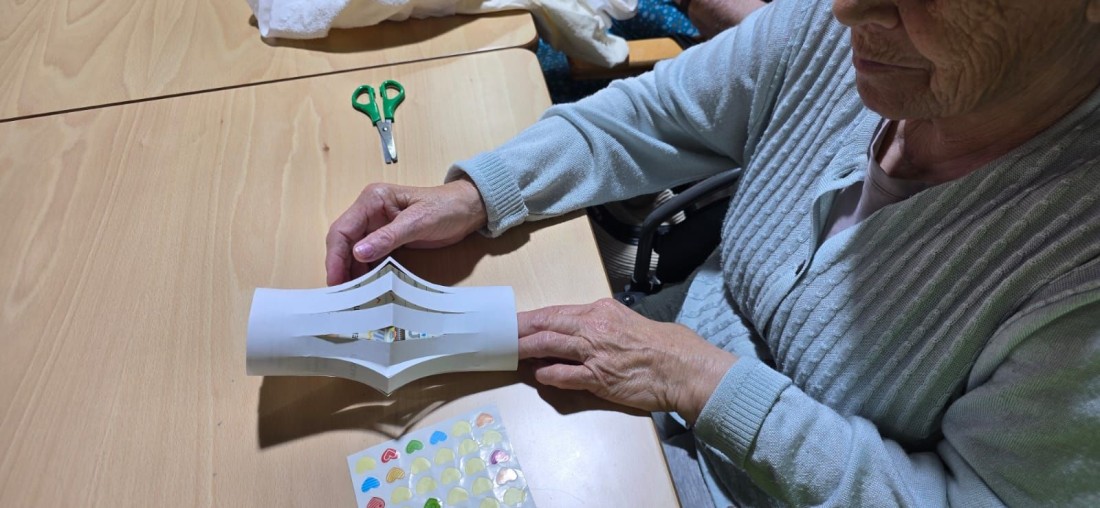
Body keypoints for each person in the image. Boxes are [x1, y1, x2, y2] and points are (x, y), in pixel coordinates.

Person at [326, 0, 1100, 505]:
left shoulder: (1076, 268)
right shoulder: (837, 31)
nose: (845, 9)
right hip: (649, 387)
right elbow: (651, 116)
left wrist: (700, 380)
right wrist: (481, 193)